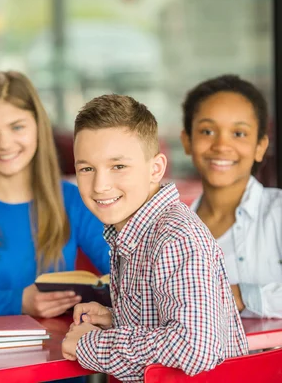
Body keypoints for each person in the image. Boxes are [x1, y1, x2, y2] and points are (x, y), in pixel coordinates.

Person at [61, 94, 248, 381]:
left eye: (118, 166)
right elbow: (167, 322)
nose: (100, 185)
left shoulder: (175, 237)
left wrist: (92, 344)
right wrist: (117, 320)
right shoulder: (134, 232)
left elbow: (195, 347)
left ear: (156, 169)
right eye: (87, 168)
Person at [0, 71, 110, 317]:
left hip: (60, 347)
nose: (4, 143)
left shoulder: (73, 199)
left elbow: (120, 271)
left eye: (17, 127)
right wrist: (16, 302)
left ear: (38, 125)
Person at [181, 74, 282, 318]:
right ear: (187, 141)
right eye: (207, 131)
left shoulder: (278, 212)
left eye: (239, 134)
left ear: (260, 147)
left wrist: (241, 296)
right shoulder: (177, 230)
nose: (221, 145)